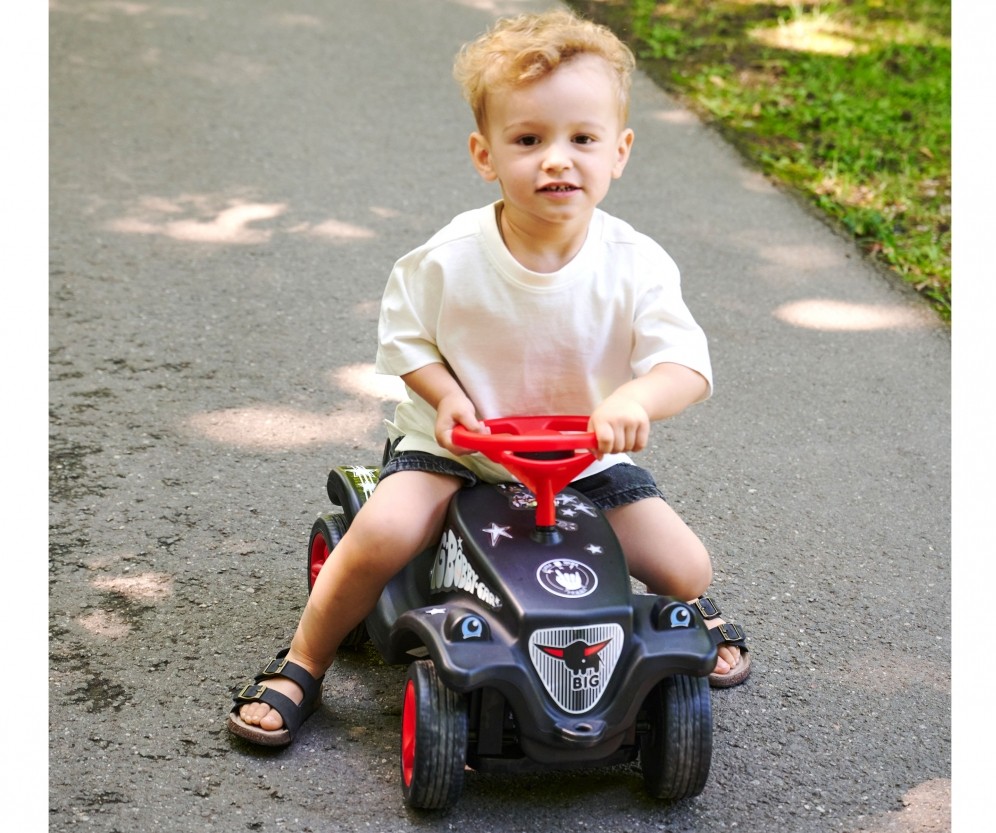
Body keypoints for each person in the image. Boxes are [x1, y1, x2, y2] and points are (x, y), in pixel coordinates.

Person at [228, 8, 749, 748]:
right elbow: (405, 339)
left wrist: (638, 396)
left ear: (620, 151)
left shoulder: (636, 263)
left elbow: (685, 363)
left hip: (584, 458)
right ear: (486, 154)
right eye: (529, 140)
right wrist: (446, 397)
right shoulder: (450, 257)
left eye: (582, 139)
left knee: (685, 565)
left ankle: (673, 623)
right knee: (383, 530)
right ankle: (303, 661)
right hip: (461, 449)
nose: (557, 160)